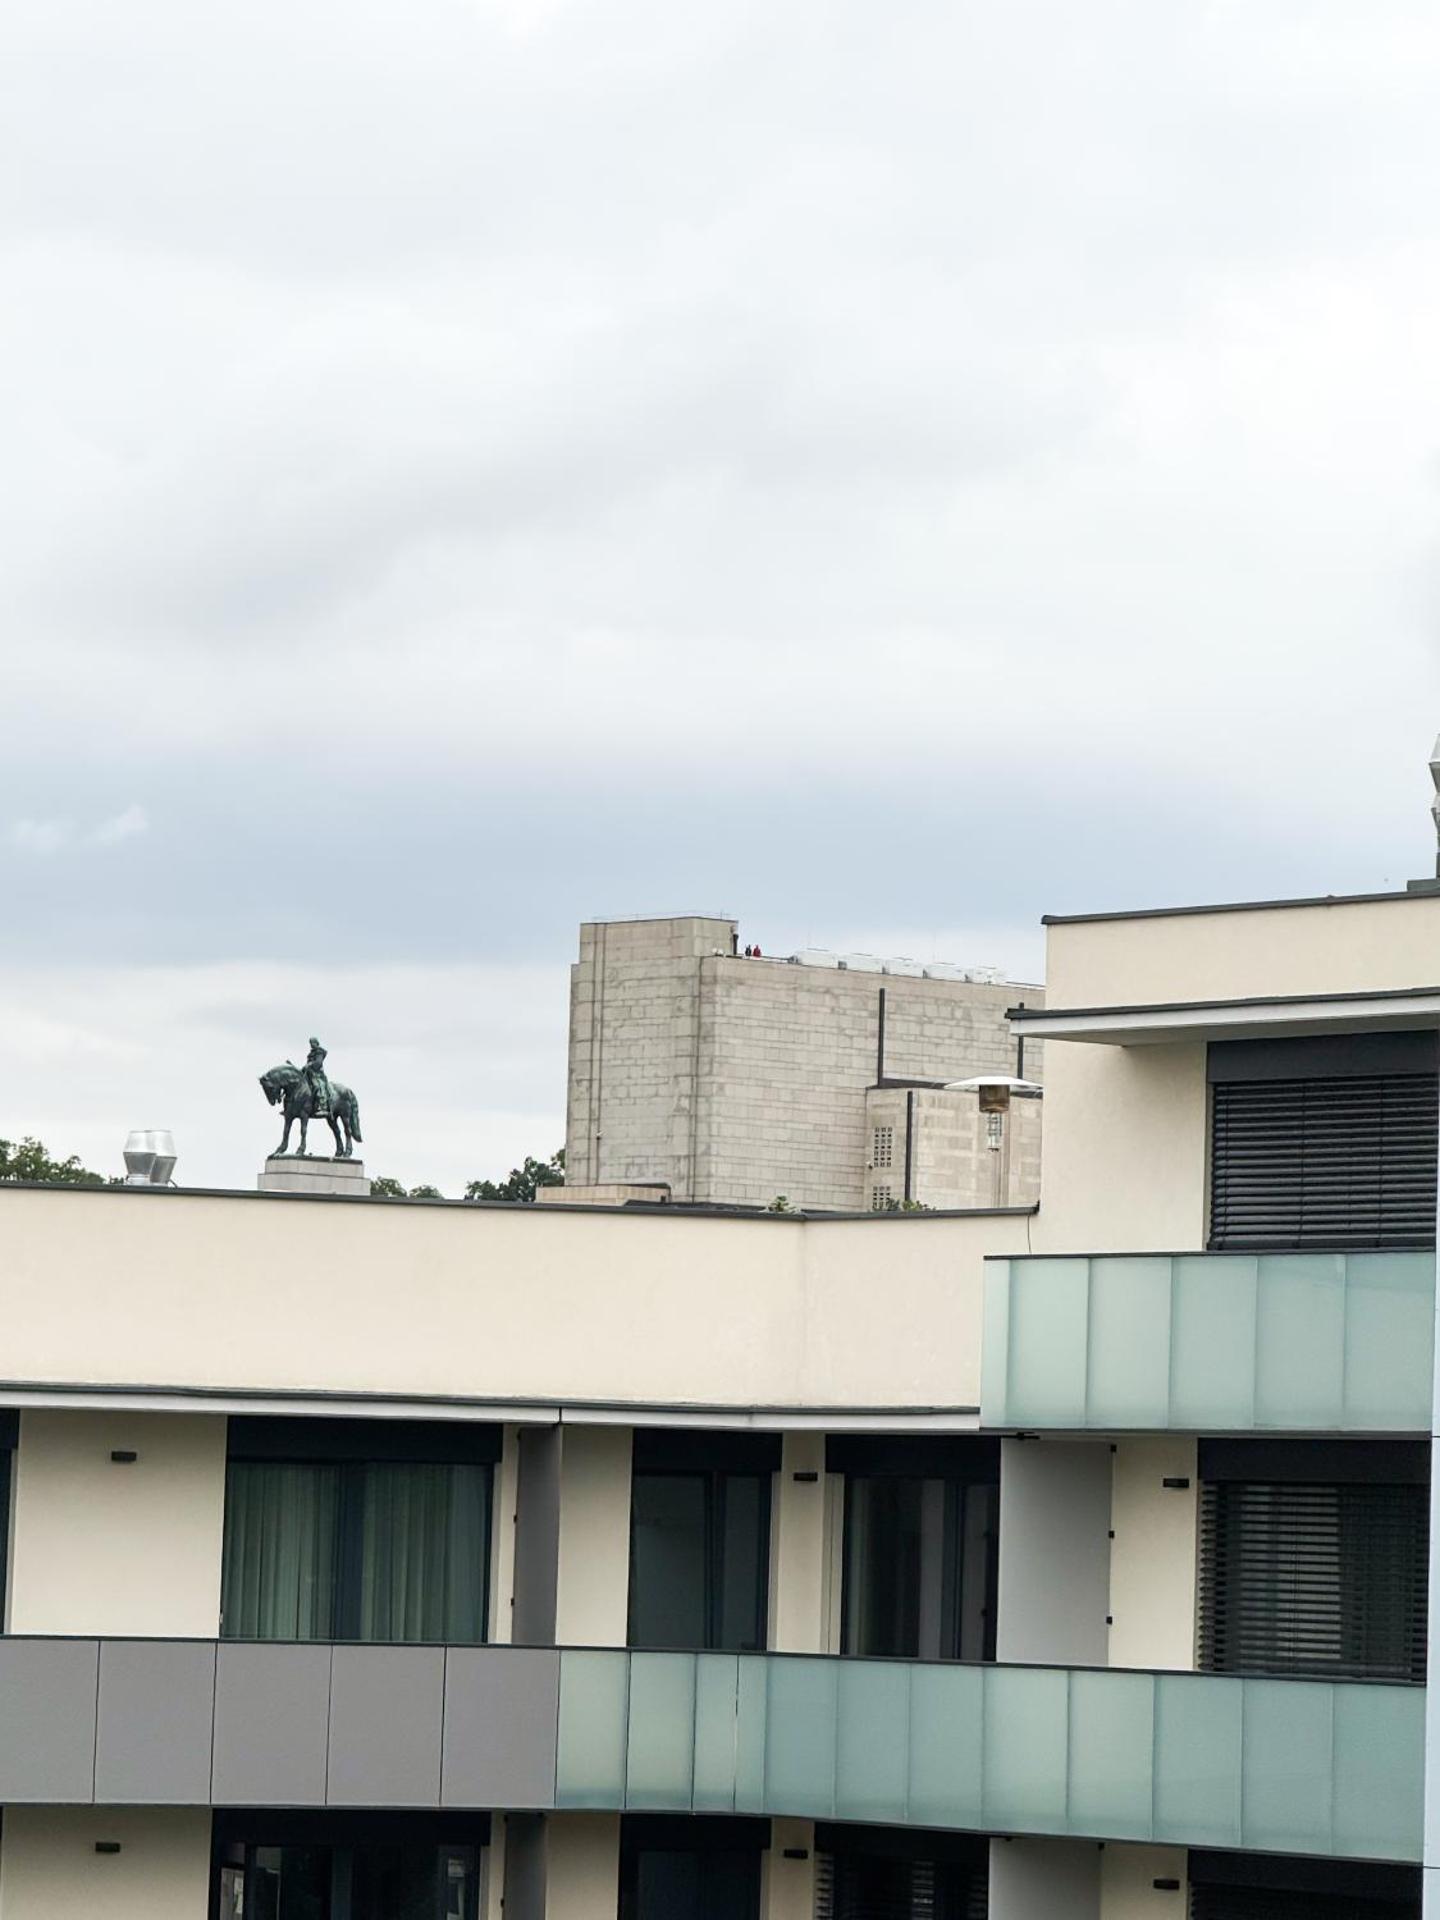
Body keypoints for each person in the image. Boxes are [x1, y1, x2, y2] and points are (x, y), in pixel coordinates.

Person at [304, 1037, 333, 1117]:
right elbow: (308, 1064)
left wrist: (309, 1065)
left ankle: (321, 1106)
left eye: (313, 1043)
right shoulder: (310, 1054)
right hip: (309, 1074)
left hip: (318, 1075)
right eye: (310, 1043)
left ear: (316, 1043)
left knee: (317, 1086)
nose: (311, 1045)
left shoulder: (319, 1052)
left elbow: (318, 1063)